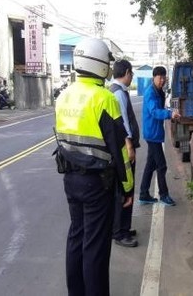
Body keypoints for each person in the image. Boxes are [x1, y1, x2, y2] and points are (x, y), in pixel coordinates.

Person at [54, 37, 133, 296]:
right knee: (95, 247)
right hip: (97, 184)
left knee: (76, 237)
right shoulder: (104, 98)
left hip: (70, 180)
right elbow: (120, 151)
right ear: (100, 65)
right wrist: (128, 188)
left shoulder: (63, 96)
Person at [138, 66, 181, 206]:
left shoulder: (159, 92)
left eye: (164, 77)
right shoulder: (150, 93)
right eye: (159, 77)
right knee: (161, 166)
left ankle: (144, 194)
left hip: (155, 133)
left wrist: (170, 111)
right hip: (152, 134)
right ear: (153, 78)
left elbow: (161, 109)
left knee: (150, 165)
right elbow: (155, 112)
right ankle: (164, 195)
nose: (162, 80)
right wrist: (169, 114)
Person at [109, 59, 141, 248]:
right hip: (123, 150)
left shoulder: (114, 91)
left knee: (124, 188)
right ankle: (120, 232)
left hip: (120, 149)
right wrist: (129, 146)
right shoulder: (119, 94)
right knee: (125, 189)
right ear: (127, 72)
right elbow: (123, 124)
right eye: (132, 74)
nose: (132, 77)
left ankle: (123, 227)